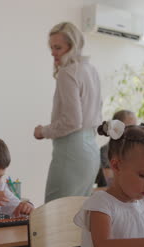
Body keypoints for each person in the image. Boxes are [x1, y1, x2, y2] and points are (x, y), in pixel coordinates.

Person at [33, 22, 102, 203]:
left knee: (55, 212)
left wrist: (43, 131)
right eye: (51, 47)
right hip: (91, 150)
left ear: (71, 47)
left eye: (58, 47)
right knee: (78, 213)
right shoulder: (91, 70)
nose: (53, 52)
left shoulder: (68, 73)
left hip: (71, 150)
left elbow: (72, 121)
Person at [95, 110, 137, 187]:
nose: (134, 130)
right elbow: (110, 180)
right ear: (115, 127)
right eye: (130, 126)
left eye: (135, 126)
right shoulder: (106, 150)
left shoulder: (135, 150)